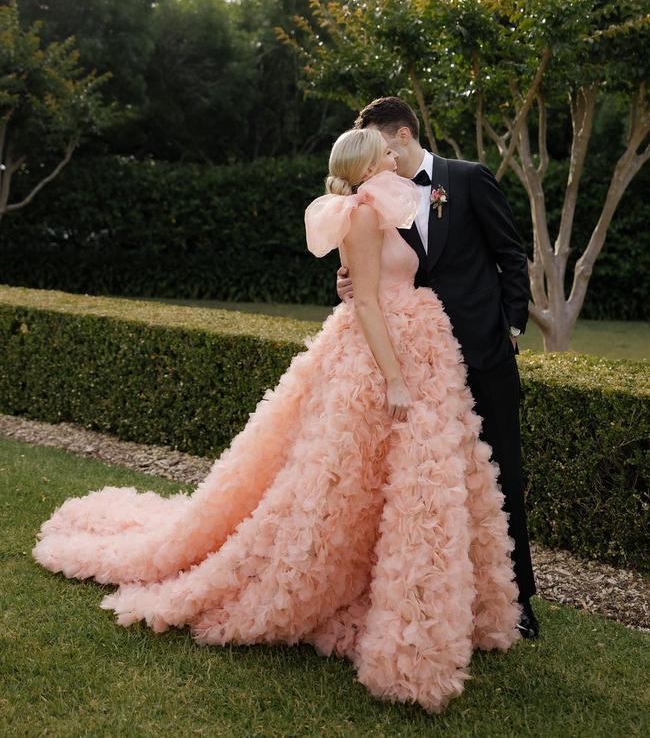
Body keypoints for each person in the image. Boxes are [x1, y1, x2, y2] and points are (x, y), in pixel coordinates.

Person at [32, 127, 522, 715]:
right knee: (352, 475)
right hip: (383, 355)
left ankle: (413, 591)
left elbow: (398, 272)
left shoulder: (393, 202)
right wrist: (392, 377)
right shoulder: (363, 213)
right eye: (386, 151)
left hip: (423, 346)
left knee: (412, 477)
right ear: (368, 163)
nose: (396, 154)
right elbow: (365, 299)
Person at [336, 97, 538, 639]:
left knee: (501, 476)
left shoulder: (468, 179)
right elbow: (375, 271)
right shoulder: (376, 199)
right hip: (419, 361)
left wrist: (512, 328)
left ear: (403, 135)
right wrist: (351, 283)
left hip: (482, 352)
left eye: (382, 147)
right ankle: (450, 601)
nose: (379, 159)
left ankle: (519, 600)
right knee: (437, 485)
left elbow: (511, 255)